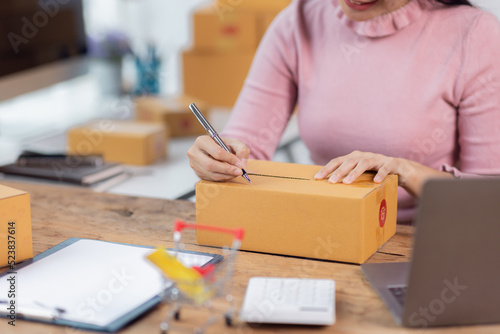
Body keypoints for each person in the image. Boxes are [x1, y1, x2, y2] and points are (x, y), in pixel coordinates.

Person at [188, 0, 500, 222]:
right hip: (321, 230)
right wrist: (220, 156)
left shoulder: (475, 35)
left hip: (424, 248)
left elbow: (488, 200)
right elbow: (245, 147)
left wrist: (404, 172)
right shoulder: (297, 22)